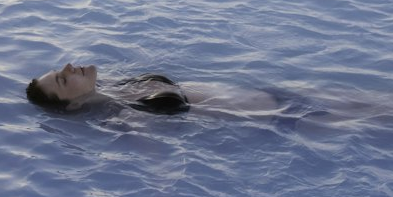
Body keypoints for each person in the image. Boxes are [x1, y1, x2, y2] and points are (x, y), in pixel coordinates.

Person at [26, 62, 280, 116]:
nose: (69, 66)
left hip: (269, 94)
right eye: (62, 79)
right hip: (278, 118)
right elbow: (159, 163)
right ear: (75, 103)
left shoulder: (114, 85)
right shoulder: (126, 118)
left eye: (61, 69)